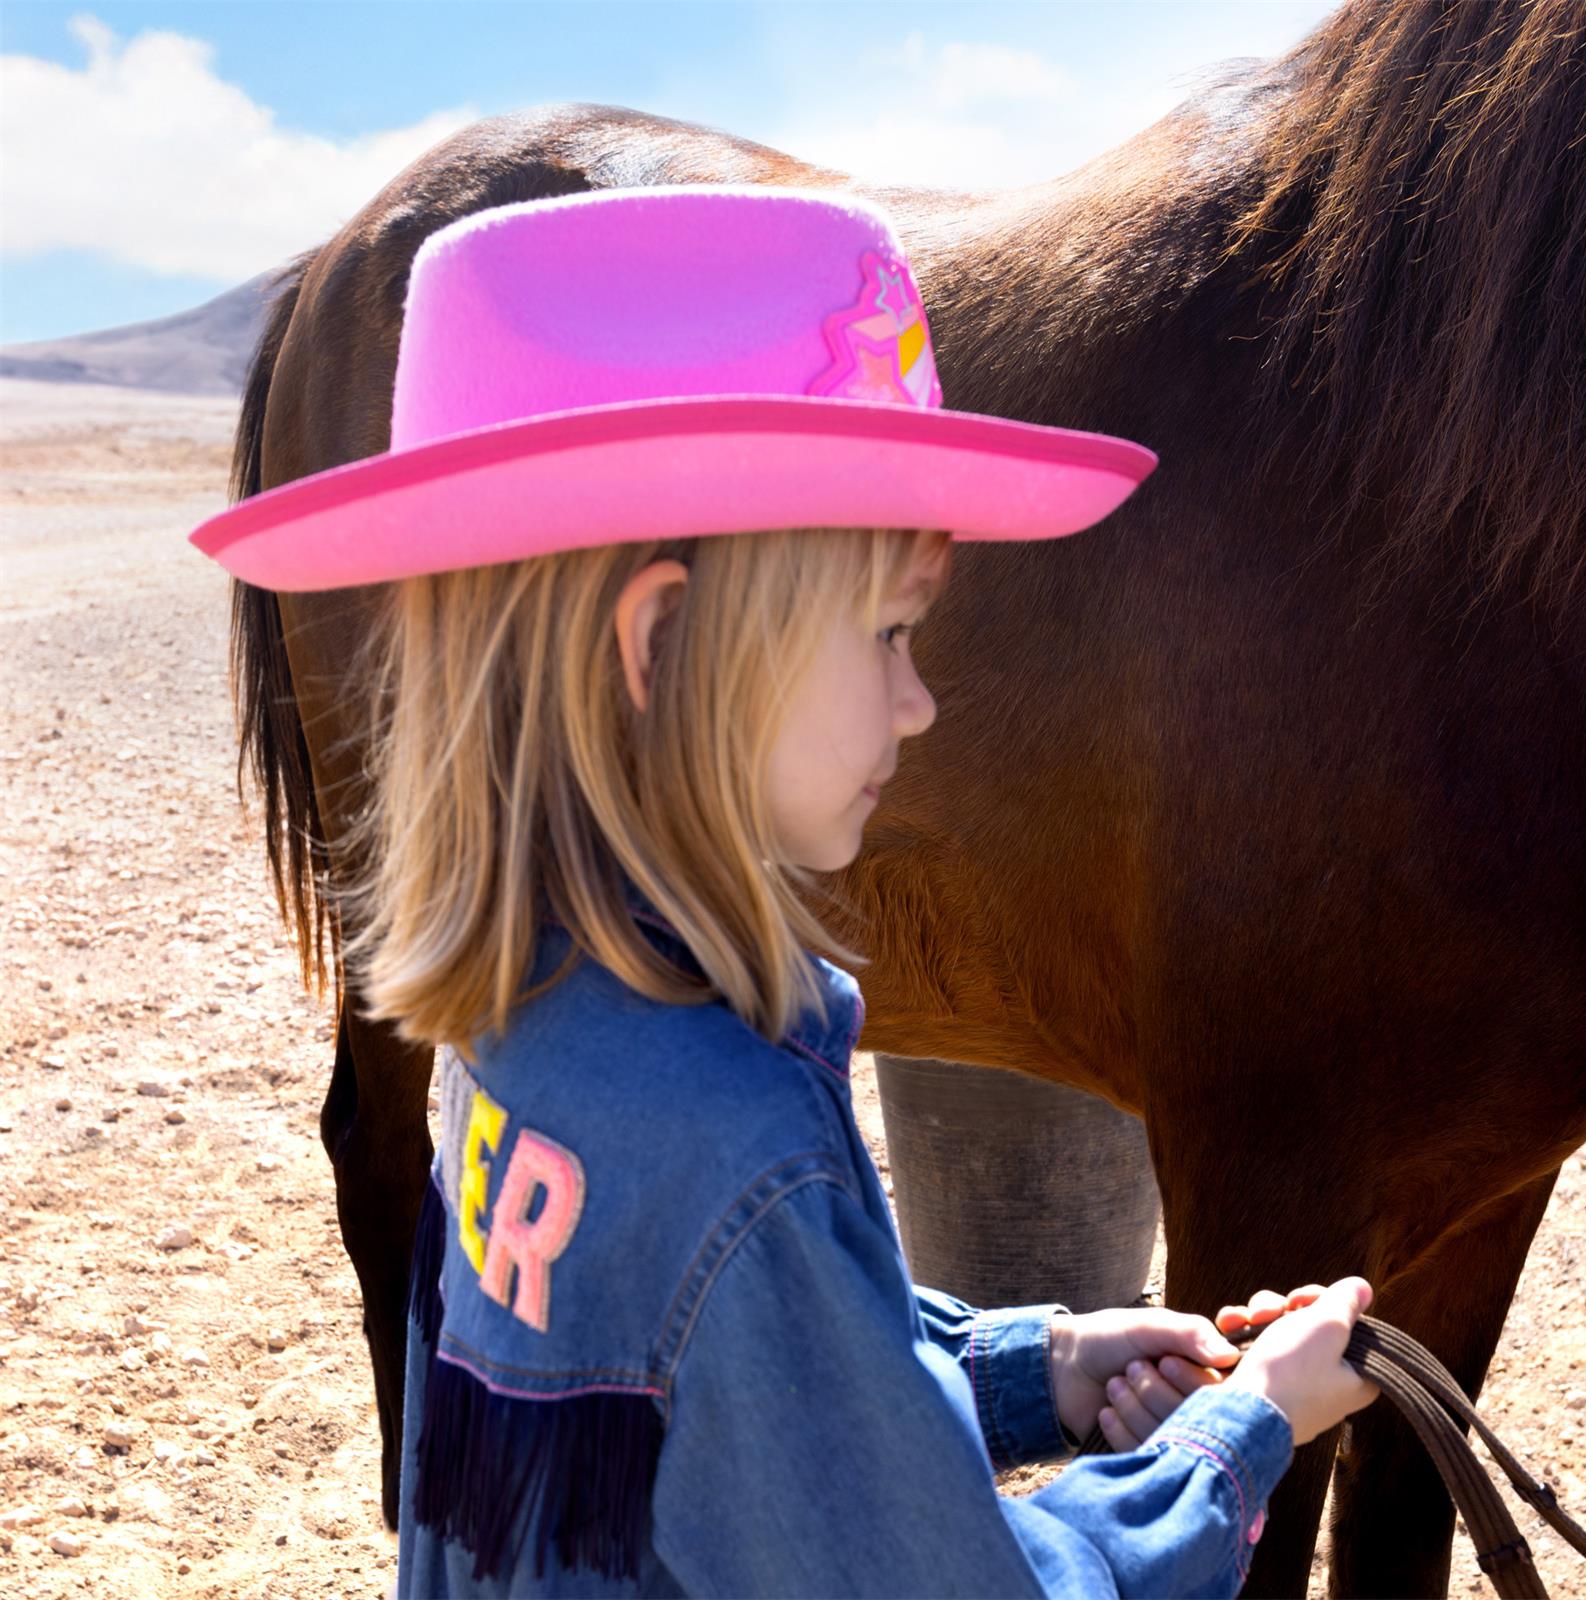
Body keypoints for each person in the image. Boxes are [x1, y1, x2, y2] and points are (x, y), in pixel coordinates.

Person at [189, 185, 1379, 1598]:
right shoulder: (745, 1154)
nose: (920, 702)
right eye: (885, 634)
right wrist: (1239, 1439)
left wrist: (1041, 1363)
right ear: (663, 643)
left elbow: (729, 1380)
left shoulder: (520, 1035)